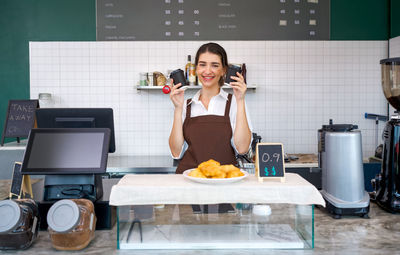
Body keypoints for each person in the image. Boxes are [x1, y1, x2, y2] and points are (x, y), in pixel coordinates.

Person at [169, 42, 252, 174]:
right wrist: (178, 108)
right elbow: (176, 152)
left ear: (224, 70)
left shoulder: (235, 103)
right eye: (202, 65)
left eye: (215, 65)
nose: (207, 71)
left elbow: (242, 148)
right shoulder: (185, 105)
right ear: (196, 69)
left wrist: (240, 100)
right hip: (190, 179)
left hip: (224, 181)